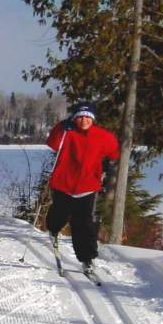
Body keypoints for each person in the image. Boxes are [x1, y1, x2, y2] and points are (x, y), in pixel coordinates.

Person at [45, 101, 120, 273]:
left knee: (83, 224)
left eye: (87, 117)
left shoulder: (102, 136)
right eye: (80, 117)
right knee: (59, 213)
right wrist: (60, 127)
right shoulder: (66, 132)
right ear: (75, 119)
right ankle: (53, 229)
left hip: (87, 186)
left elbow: (114, 151)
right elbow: (52, 144)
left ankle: (87, 258)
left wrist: (107, 164)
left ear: (92, 119)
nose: (84, 120)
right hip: (64, 183)